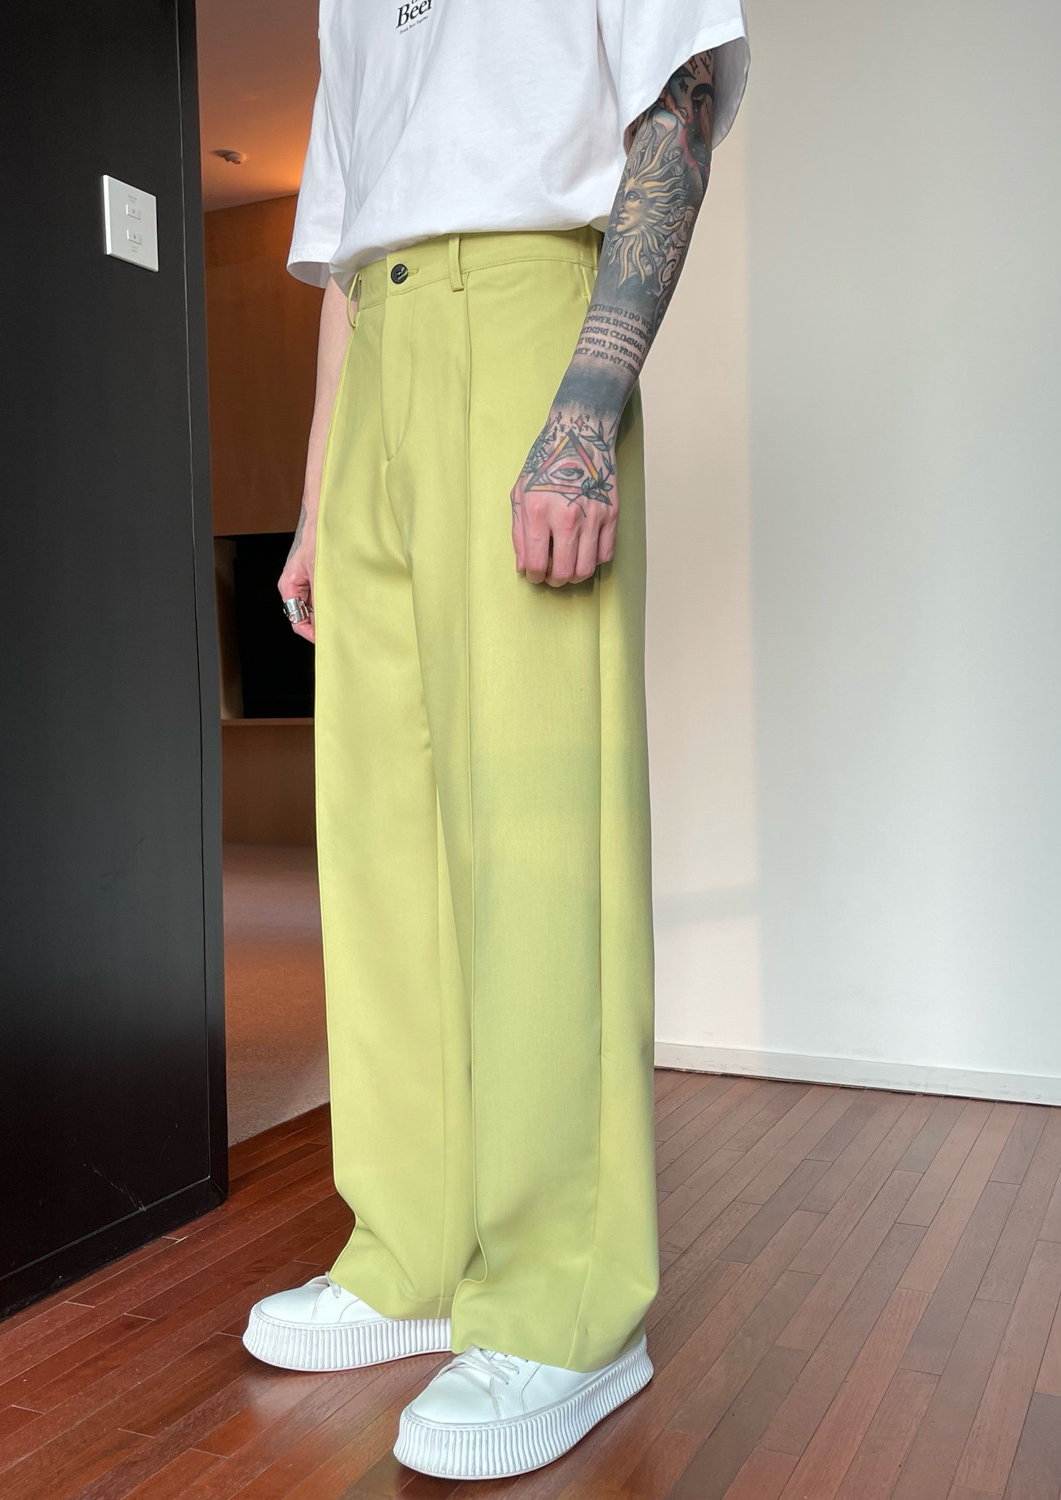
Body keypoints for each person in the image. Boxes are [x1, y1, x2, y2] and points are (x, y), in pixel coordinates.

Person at [241, 0, 748, 1480]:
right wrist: (321, 494)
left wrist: (589, 398)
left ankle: (568, 1304)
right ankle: (411, 1246)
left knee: (537, 834)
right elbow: (347, 245)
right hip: (381, 351)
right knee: (385, 840)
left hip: (534, 311)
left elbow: (675, 106)